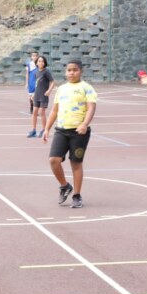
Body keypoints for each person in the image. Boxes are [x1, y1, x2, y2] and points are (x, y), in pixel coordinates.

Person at [42, 59, 97, 209]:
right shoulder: (61, 89)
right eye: (69, 70)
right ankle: (65, 186)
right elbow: (54, 110)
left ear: (81, 71)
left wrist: (84, 124)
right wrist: (46, 128)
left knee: (76, 163)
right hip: (61, 130)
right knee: (54, 160)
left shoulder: (87, 88)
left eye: (75, 70)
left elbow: (91, 108)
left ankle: (77, 195)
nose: (71, 73)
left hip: (79, 132)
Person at [29, 55, 54, 138]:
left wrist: (49, 90)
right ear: (37, 63)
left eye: (42, 61)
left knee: (41, 112)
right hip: (37, 95)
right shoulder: (36, 72)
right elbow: (36, 84)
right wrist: (33, 94)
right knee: (35, 112)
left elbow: (52, 82)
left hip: (44, 95)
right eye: (39, 61)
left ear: (44, 63)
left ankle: (44, 129)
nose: (41, 63)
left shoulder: (46, 72)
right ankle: (33, 130)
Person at [25, 51, 39, 121]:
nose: (34, 57)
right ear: (31, 57)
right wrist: (27, 83)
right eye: (33, 56)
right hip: (31, 82)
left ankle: (35, 109)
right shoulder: (29, 65)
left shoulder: (40, 64)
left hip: (38, 83)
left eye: (36, 56)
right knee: (31, 97)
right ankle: (31, 107)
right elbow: (27, 74)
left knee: (36, 97)